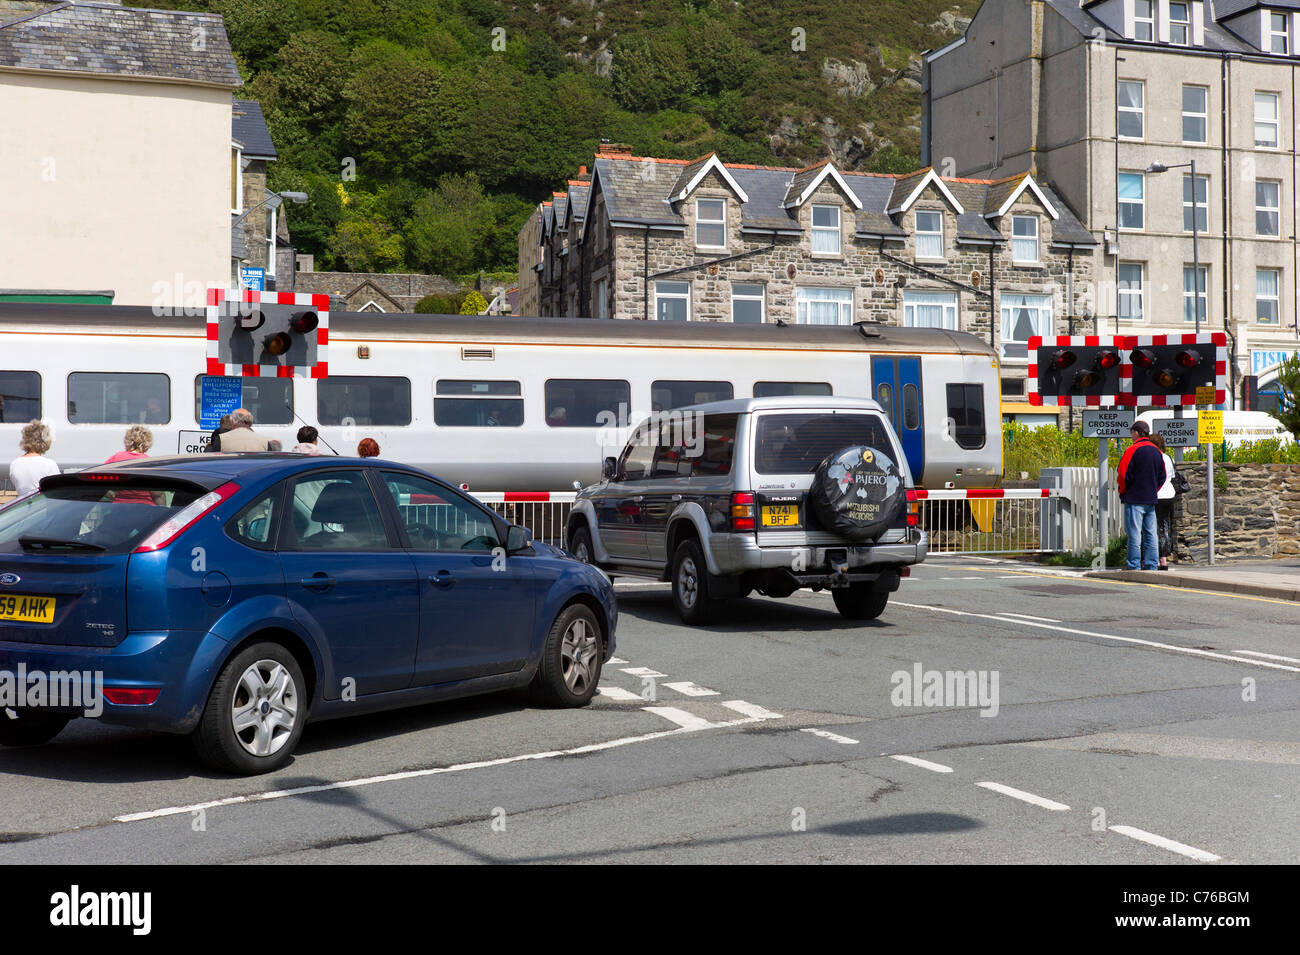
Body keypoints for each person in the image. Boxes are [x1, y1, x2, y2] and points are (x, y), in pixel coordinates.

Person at [1117, 420, 1164, 571]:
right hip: (1150, 498)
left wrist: (1123, 491)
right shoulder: (1156, 451)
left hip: (1134, 497)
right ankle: (1151, 564)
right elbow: (1162, 476)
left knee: (1134, 534)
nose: (1131, 436)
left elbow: (1122, 474)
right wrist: (1153, 489)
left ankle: (1134, 564)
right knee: (1151, 534)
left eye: (1132, 432)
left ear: (1136, 433)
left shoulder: (1132, 450)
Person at [103, 425, 159, 504]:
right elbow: (158, 494)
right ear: (147, 443)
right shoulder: (149, 462)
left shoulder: (116, 458)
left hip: (119, 507)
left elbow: (99, 479)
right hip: (146, 509)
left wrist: (111, 495)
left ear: (127, 441)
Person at [9, 420, 59, 498]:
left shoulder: (15, 464)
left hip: (23, 506)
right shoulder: (49, 464)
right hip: (43, 507)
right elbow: (57, 491)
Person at [1150, 433, 1177, 570]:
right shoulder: (1169, 458)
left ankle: (1157, 559)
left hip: (1156, 496)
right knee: (1165, 528)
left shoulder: (1154, 458)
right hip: (1169, 496)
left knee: (1153, 529)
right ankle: (1165, 559)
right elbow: (1172, 476)